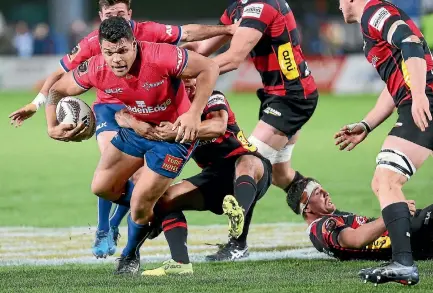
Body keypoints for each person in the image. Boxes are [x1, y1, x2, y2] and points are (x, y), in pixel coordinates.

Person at [8, 0, 237, 259]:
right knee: (106, 182)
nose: (115, 58)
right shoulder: (94, 47)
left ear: (129, 15)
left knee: (142, 190)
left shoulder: (152, 39)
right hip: (115, 108)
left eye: (120, 13)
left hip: (162, 122)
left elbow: (192, 36)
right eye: (109, 14)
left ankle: (134, 241)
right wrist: (44, 116)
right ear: (100, 17)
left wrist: (226, 31)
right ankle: (118, 223)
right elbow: (58, 82)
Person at [45, 16, 220, 274]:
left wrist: (194, 114)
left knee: (138, 206)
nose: (116, 59)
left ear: (135, 45)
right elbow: (56, 90)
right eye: (109, 52)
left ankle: (130, 255)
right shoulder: (95, 68)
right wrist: (51, 126)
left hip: (171, 138)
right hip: (136, 130)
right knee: (101, 187)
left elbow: (209, 68)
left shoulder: (160, 55)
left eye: (122, 51)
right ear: (101, 49)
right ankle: (153, 207)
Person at [182, 0, 318, 255]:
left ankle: (238, 244)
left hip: (292, 96)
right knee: (280, 175)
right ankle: (325, 211)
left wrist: (189, 73)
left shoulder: (262, 6)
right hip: (276, 95)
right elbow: (202, 49)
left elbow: (233, 59)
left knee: (250, 161)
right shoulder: (237, 8)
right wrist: (175, 57)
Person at [115, 89, 272, 275]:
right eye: (184, 77)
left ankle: (239, 212)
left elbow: (218, 125)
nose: (189, 82)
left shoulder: (212, 96)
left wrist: (174, 131)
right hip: (213, 177)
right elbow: (120, 115)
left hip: (249, 167)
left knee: (246, 163)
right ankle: (180, 263)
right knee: (162, 200)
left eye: (193, 76)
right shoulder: (167, 107)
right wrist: (135, 123)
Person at [335, 0, 433, 286]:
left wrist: (418, 96)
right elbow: (393, 90)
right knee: (383, 180)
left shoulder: (375, 13)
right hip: (420, 99)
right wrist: (366, 125)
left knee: (386, 179)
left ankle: (403, 263)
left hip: (425, 101)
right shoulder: (372, 26)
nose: (339, 5)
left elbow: (411, 42)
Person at [286, 177, 433, 263]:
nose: (326, 193)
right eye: (318, 193)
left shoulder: (328, 220)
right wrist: (395, 213)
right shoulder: (322, 227)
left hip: (415, 234)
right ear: (306, 208)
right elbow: (356, 239)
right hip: (417, 234)